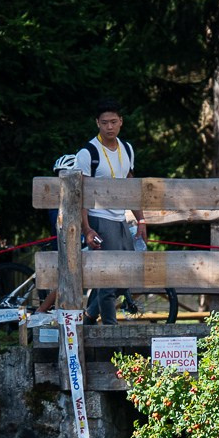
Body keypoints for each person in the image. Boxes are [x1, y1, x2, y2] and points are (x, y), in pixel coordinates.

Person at [71, 102, 140, 325]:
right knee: (108, 279)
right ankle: (110, 329)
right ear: (97, 124)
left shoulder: (127, 148)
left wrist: (142, 219)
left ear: (121, 122)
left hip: (121, 219)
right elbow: (80, 194)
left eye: (113, 122)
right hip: (99, 217)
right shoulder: (87, 152)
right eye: (104, 123)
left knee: (129, 274)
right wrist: (86, 228)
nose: (109, 127)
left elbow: (131, 185)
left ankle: (90, 314)